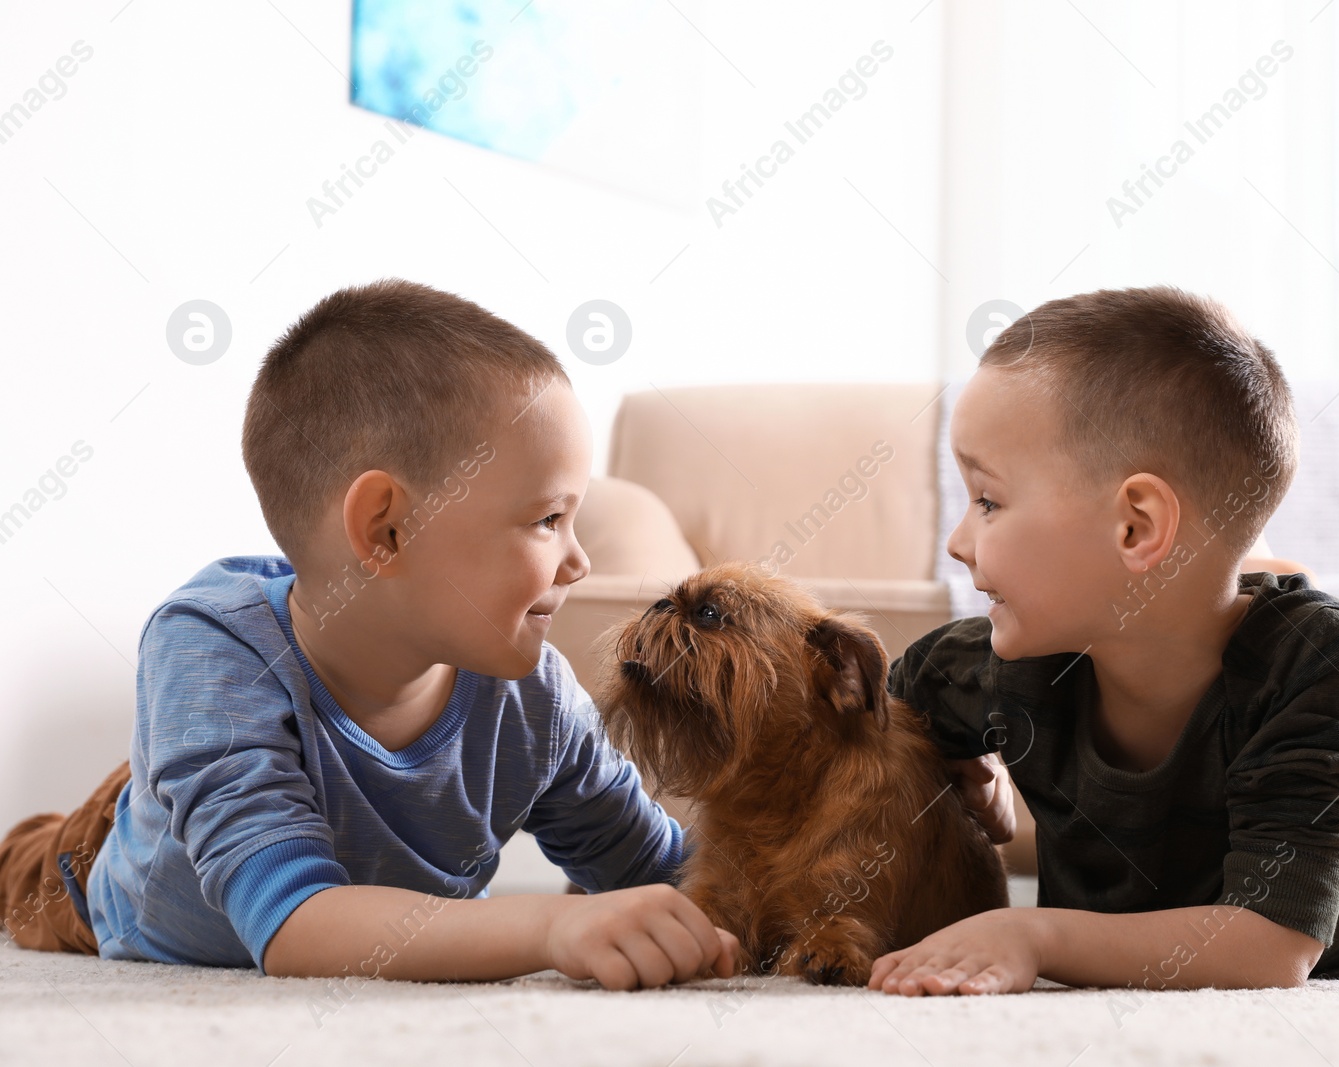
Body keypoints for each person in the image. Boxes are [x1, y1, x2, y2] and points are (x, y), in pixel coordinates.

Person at [0, 278, 1008, 987]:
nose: (579, 562)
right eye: (545, 519)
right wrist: (550, 922)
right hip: (105, 887)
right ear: (385, 528)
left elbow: (663, 875)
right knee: (23, 865)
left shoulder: (533, 701)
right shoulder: (209, 652)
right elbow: (295, 925)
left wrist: (903, 818)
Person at [869, 286, 1339, 996]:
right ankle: (1233, 569)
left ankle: (1260, 573)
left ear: (1135, 527)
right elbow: (866, 739)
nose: (959, 542)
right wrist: (947, 767)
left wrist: (1035, 930)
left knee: (1330, 768)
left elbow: (1270, 949)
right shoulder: (981, 669)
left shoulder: (1322, 666)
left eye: (988, 500)